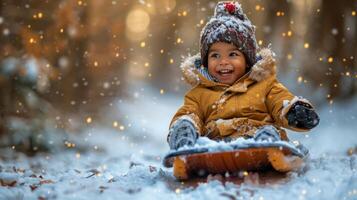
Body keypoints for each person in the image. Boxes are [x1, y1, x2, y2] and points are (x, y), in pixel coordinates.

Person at [167, 1, 319, 150]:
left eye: (233, 54)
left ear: (247, 60)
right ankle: (189, 146)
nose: (223, 62)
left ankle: (268, 145)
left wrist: (294, 111)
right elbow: (189, 112)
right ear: (206, 61)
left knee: (266, 133)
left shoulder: (264, 85)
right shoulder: (199, 94)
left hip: (256, 135)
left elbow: (281, 101)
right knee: (195, 133)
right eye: (215, 55)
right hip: (215, 146)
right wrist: (185, 126)